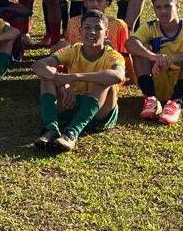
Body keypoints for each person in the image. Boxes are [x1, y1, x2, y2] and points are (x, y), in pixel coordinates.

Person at [32, 10, 126, 152]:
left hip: (100, 115)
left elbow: (118, 76)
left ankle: (71, 134)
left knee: (105, 82)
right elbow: (38, 65)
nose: (92, 32)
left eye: (98, 28)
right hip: (71, 104)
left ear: (106, 33)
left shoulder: (113, 55)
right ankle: (51, 129)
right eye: (87, 28)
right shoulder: (72, 50)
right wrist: (62, 82)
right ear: (80, 31)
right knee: (47, 78)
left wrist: (75, 77)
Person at [126, 0, 183, 126]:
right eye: (158, 7)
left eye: (167, 6)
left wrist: (171, 59)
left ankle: (176, 103)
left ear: (177, 6)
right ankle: (151, 99)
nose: (163, 11)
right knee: (140, 50)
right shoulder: (150, 26)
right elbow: (130, 43)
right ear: (154, 9)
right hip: (160, 86)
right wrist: (152, 56)